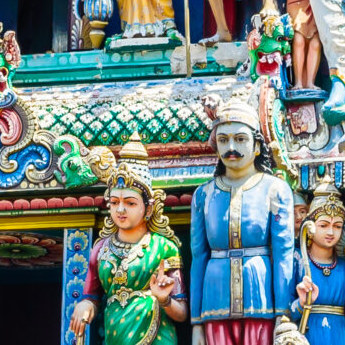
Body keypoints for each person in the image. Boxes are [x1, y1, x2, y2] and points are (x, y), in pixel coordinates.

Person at [189, 95, 301, 343]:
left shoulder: (275, 189)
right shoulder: (203, 195)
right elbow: (198, 259)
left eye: (240, 139)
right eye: (223, 140)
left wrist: (283, 316)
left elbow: (283, 255)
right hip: (214, 302)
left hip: (260, 300)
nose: (231, 147)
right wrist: (196, 323)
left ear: (257, 145)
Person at [71, 140, 187, 345]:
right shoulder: (100, 249)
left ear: (148, 208)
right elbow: (92, 296)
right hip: (116, 335)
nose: (121, 210)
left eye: (130, 203)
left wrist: (163, 299)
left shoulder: (163, 247)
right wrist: (85, 305)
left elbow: (182, 313)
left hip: (156, 337)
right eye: (114, 202)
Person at [294, 181, 345, 345]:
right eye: (324, 225)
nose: (331, 232)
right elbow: (284, 313)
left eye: (337, 226)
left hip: (339, 334)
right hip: (307, 333)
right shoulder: (297, 259)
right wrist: (301, 303)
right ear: (310, 226)